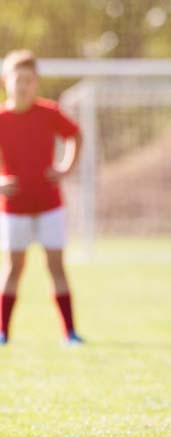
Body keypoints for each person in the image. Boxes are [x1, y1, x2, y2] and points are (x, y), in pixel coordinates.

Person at [0, 50, 83, 345]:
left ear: (36, 83)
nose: (22, 85)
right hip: (13, 208)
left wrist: (66, 168)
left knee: (56, 267)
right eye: (17, 79)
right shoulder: (1, 117)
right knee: (12, 269)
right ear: (5, 81)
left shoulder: (48, 112)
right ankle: (3, 333)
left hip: (49, 205)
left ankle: (70, 333)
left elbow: (75, 135)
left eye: (28, 80)